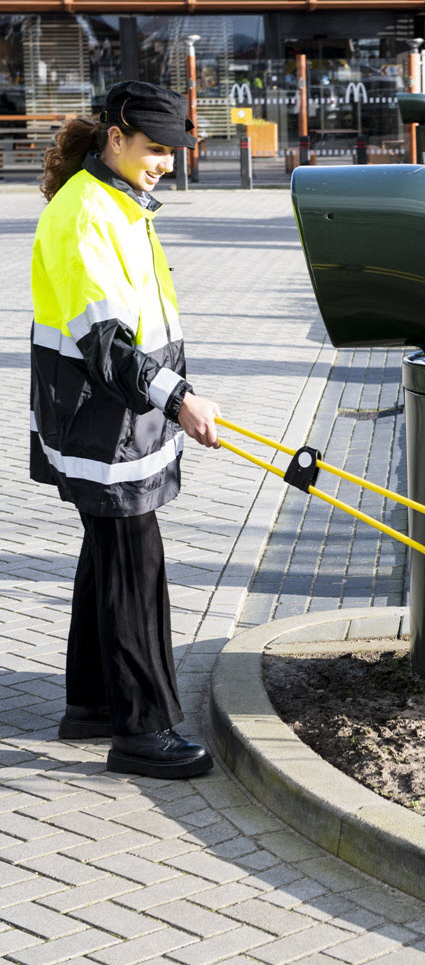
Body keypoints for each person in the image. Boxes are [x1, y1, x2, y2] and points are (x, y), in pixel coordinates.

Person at [30, 81, 221, 777]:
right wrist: (180, 402)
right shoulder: (87, 214)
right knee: (134, 567)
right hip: (102, 419)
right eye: (156, 149)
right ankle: (143, 730)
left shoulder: (115, 202)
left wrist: (172, 397)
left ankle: (92, 705)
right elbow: (105, 341)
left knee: (108, 557)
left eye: (173, 153)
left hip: (115, 415)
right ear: (116, 137)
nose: (166, 162)